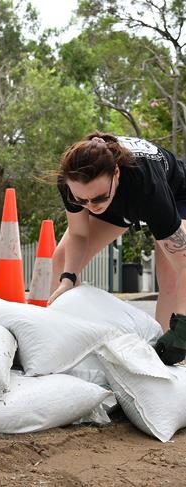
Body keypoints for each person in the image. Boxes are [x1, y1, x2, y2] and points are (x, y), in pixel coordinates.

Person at [50, 131, 186, 365]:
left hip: (176, 194)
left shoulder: (147, 189)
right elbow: (79, 233)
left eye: (96, 199)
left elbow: (185, 262)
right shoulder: (73, 182)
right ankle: (58, 342)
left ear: (116, 173)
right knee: (61, 260)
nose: (91, 208)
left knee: (171, 275)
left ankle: (168, 356)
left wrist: (183, 327)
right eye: (81, 201)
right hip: (119, 198)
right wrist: (67, 279)